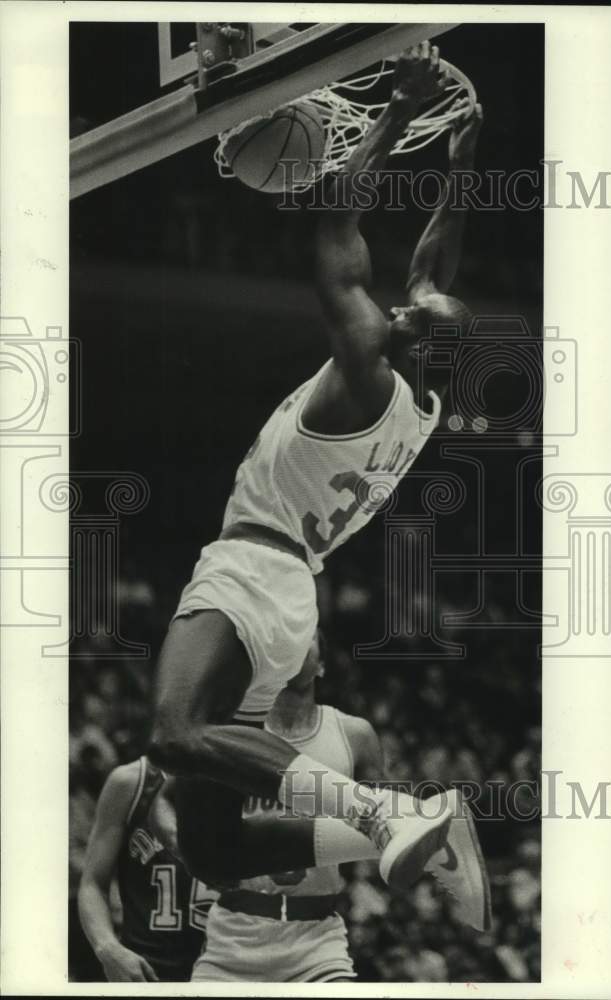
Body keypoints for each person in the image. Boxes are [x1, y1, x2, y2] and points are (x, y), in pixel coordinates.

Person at [149, 41, 489, 928]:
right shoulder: (418, 400)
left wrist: (397, 113)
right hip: (291, 597)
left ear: (403, 339)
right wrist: (461, 161)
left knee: (173, 735)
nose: (402, 304)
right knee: (214, 848)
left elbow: (337, 227)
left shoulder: (369, 373)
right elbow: (433, 274)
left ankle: (379, 811)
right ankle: (411, 828)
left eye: (408, 315)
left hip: (255, 567)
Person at [190, 632, 381, 982]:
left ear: (322, 664)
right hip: (233, 938)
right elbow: (163, 800)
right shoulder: (231, 730)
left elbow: (382, 824)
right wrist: (187, 847)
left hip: (317, 941)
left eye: (307, 636)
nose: (294, 640)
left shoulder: (355, 735)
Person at [78, 756, 217, 982]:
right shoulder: (130, 782)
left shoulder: (247, 778)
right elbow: (93, 883)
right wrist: (108, 948)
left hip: (228, 970)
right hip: (149, 972)